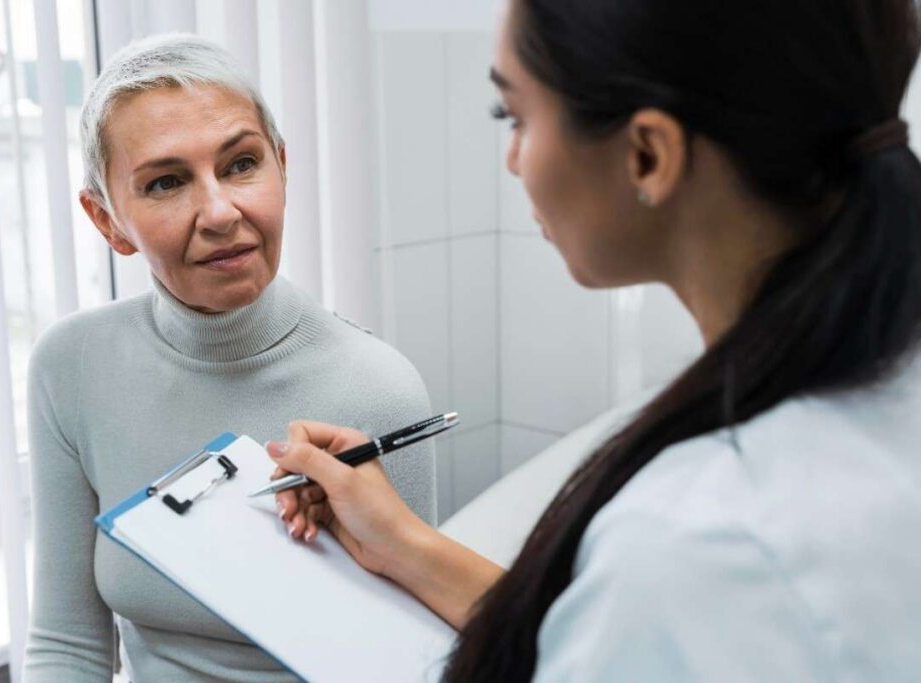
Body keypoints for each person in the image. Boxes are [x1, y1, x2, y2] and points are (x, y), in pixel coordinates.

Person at [267, 0, 921, 680]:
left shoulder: (695, 546)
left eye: (513, 117)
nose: (514, 161)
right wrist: (402, 543)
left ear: (647, 154)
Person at [23, 34, 436, 682]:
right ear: (107, 222)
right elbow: (66, 645)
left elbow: (408, 662)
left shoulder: (376, 388)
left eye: (241, 164)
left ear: (282, 165)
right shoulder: (71, 367)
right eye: (165, 182)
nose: (219, 211)